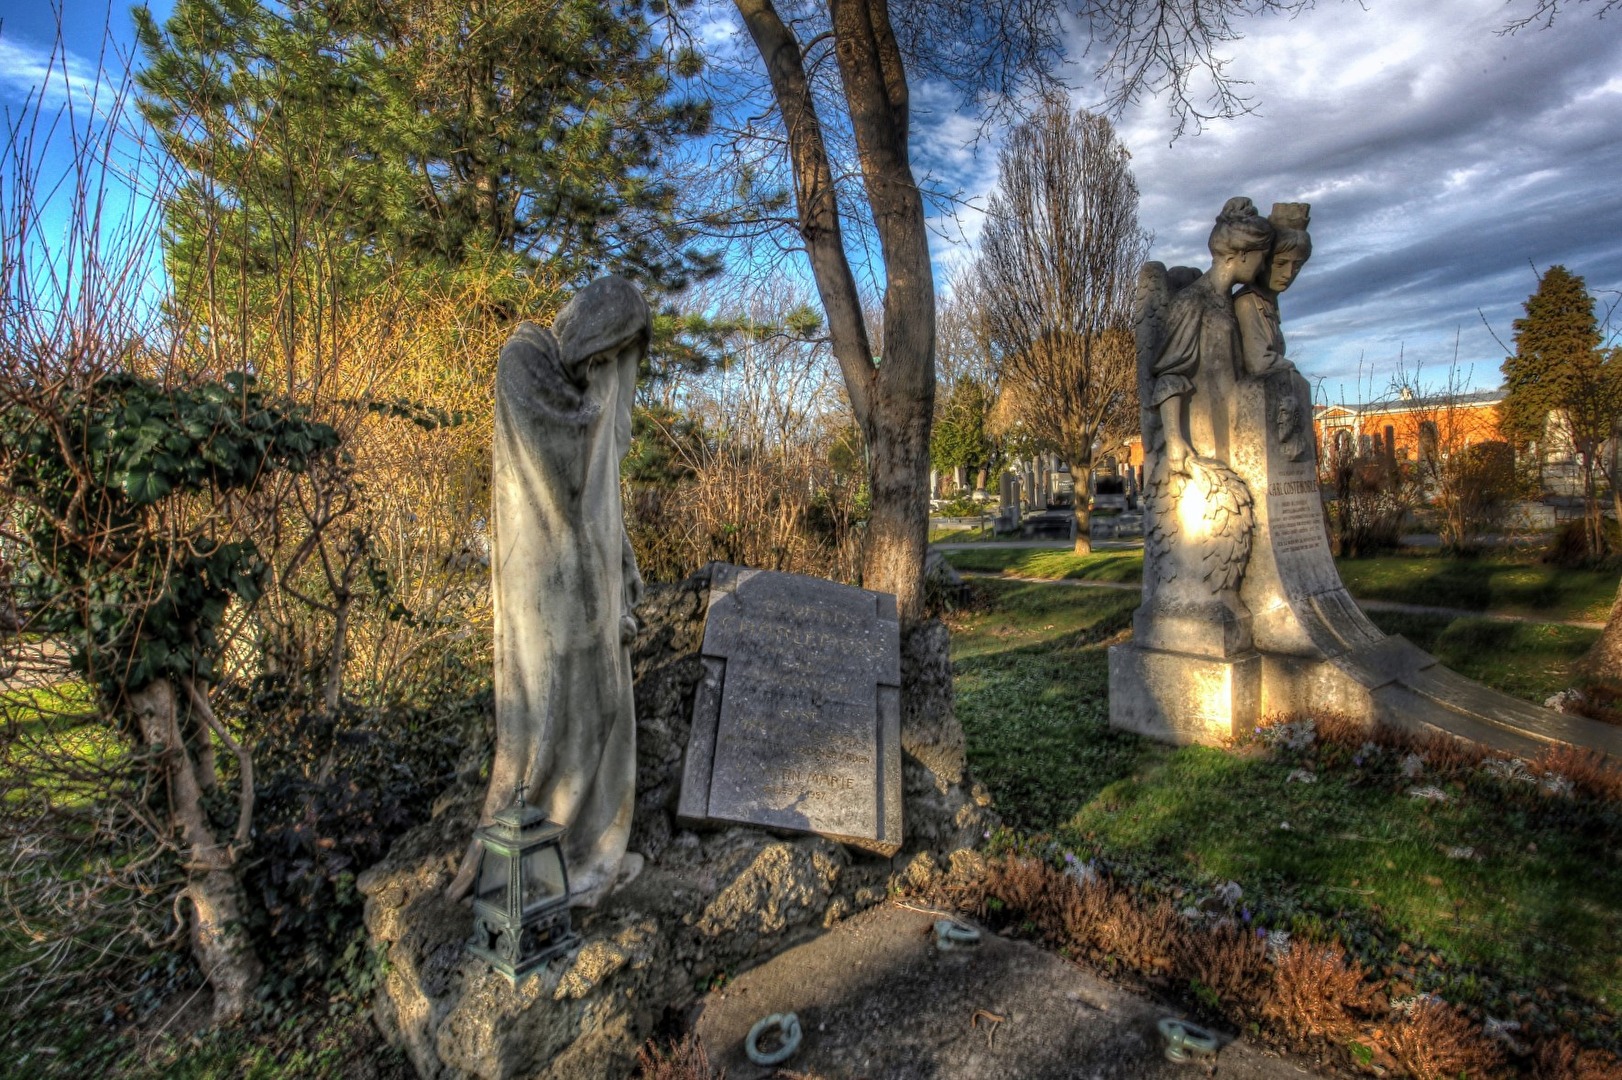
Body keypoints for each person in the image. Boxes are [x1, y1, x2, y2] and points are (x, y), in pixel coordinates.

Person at [449, 276, 648, 908]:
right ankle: (540, 857)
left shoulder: (584, 387)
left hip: (593, 582)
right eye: (615, 356)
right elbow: (564, 468)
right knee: (551, 717)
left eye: (625, 362)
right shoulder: (524, 362)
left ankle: (587, 842)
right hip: (544, 592)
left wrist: (623, 556)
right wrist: (595, 390)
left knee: (606, 711)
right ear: (596, 339)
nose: (618, 376)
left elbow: (603, 493)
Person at [1149, 197, 1276, 478]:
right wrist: (1173, 438)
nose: (1263, 265)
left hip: (1237, 433)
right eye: (1261, 256)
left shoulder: (1231, 302)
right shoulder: (1192, 301)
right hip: (1203, 441)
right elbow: (1168, 376)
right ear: (1242, 254)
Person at [1235, 203, 1312, 377]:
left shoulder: (1268, 304)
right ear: (1263, 261)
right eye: (1280, 263)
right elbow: (1258, 362)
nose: (1288, 274)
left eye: (1297, 266)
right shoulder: (1247, 303)